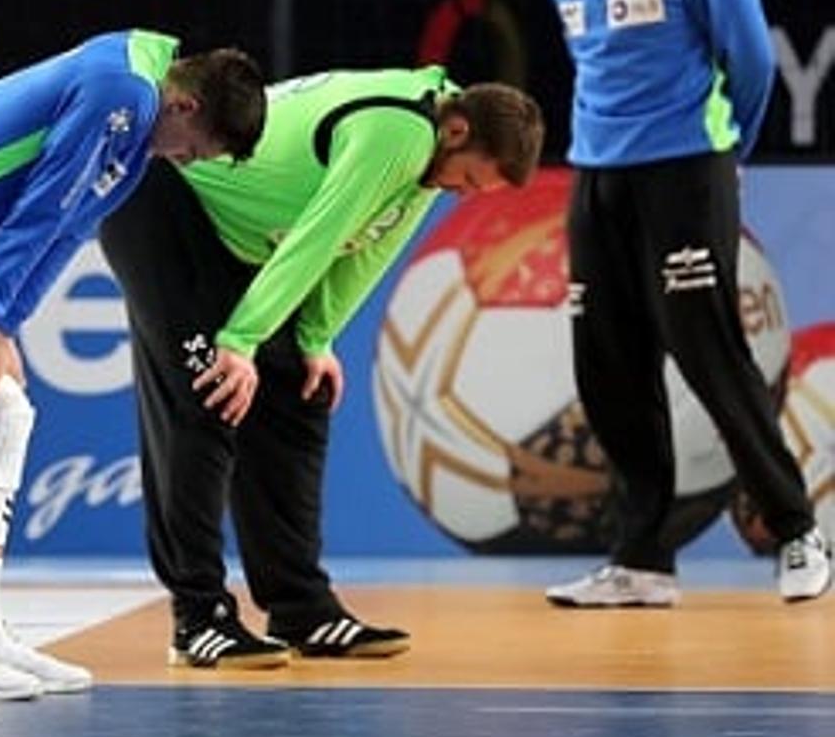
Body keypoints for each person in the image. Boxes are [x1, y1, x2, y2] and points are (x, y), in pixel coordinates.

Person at [0, 32, 266, 699]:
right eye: (194, 148)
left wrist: (3, 326)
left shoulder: (141, 117)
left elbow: (72, 230)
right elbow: (39, 208)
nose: (187, 162)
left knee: (9, 411)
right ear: (185, 106)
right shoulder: (122, 93)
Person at [101, 68, 544, 668]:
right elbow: (319, 234)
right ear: (458, 130)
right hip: (166, 200)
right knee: (207, 390)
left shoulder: (430, 153)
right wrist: (240, 340)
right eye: (468, 179)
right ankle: (197, 617)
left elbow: (371, 248)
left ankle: (301, 607)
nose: (462, 192)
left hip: (241, 239)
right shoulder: (397, 131)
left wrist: (315, 337)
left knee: (298, 391)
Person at [535, 0, 830, 606]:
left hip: (684, 170)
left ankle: (798, 531)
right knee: (608, 366)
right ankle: (643, 561)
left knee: (710, 355)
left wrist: (724, 154)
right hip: (597, 178)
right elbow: (588, 66)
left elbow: (750, 57)